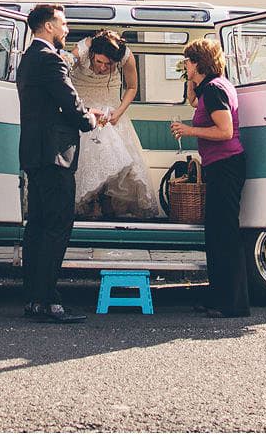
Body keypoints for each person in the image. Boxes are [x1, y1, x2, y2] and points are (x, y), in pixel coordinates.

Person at [15, 3, 103, 323]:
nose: (67, 29)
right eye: (63, 23)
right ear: (48, 27)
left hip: (34, 155)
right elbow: (70, 102)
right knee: (57, 227)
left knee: (36, 228)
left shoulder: (26, 60)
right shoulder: (50, 60)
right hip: (55, 156)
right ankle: (50, 302)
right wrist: (90, 119)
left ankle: (34, 300)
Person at [170, 37, 250, 318]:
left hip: (226, 164)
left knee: (225, 233)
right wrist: (191, 80)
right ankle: (219, 297)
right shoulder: (212, 87)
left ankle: (233, 303)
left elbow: (225, 131)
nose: (184, 65)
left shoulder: (215, 90)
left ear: (198, 63)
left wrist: (189, 131)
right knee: (215, 233)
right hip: (222, 165)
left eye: (188, 61)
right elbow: (194, 102)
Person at [68, 31, 164, 219]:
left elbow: (132, 87)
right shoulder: (83, 49)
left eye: (109, 64)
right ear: (93, 54)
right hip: (83, 108)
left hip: (111, 109)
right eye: (99, 62)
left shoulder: (126, 57)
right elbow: (64, 68)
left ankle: (105, 200)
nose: (103, 68)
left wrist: (118, 112)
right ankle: (90, 200)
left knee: (112, 148)